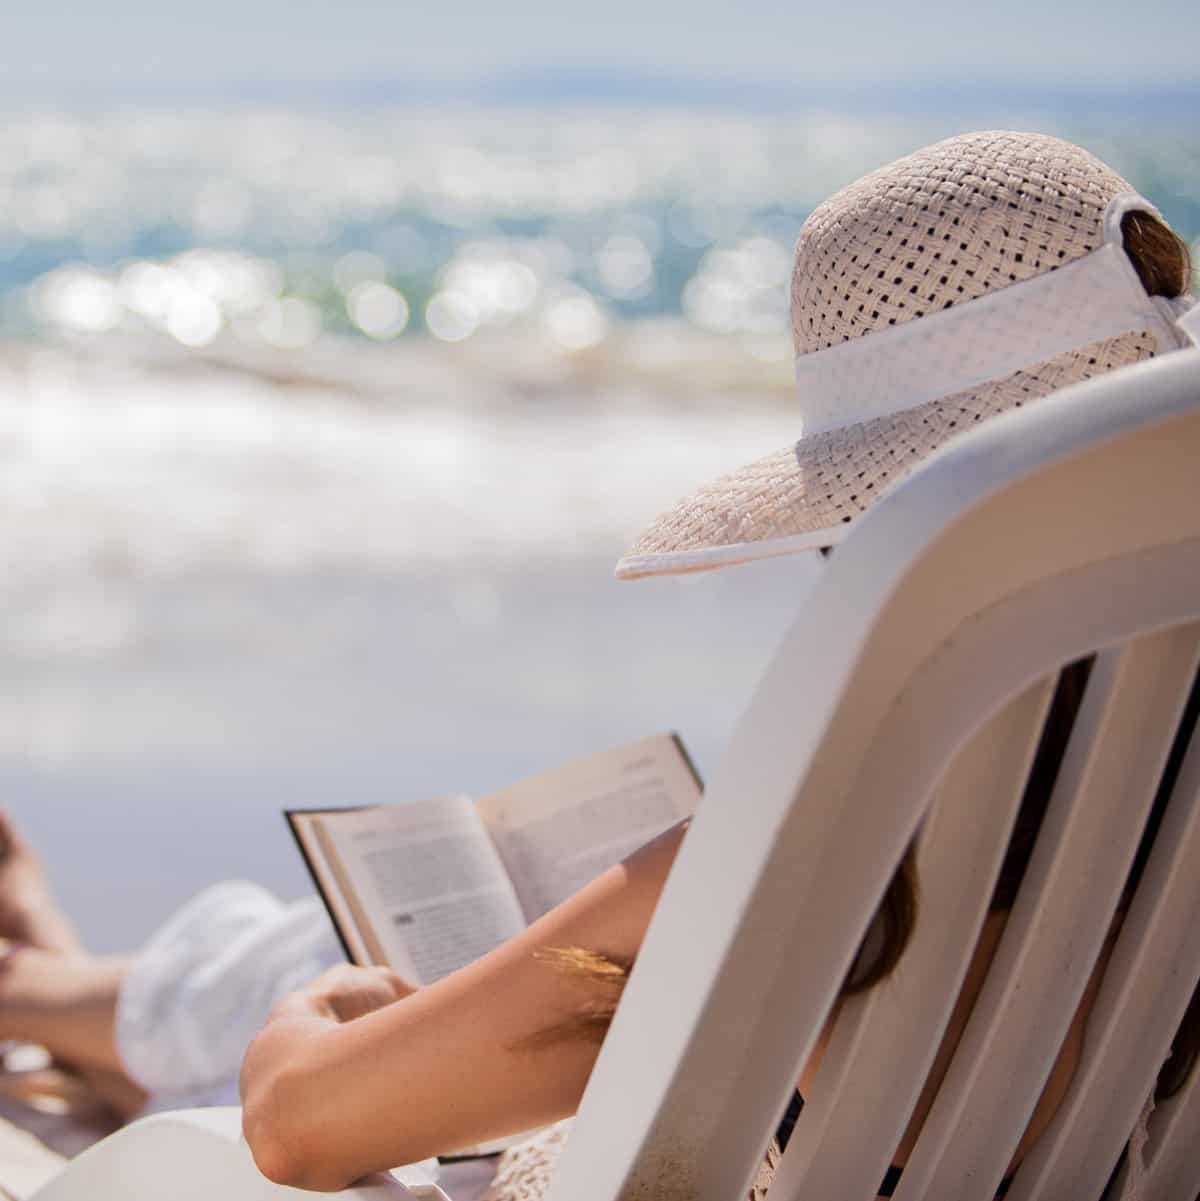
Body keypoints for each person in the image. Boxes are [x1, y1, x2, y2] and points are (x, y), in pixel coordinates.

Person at [1, 131, 1196, 1198]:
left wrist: (288, 1041)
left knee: (329, 976)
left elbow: (298, 1131)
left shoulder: (831, 874)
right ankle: (45, 973)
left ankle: (31, 983)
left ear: (894, 537)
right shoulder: (1149, 862)